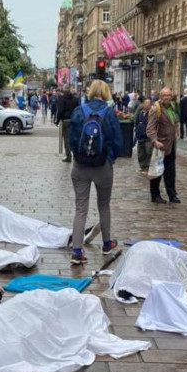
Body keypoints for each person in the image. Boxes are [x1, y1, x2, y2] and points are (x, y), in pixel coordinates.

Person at [68, 80, 121, 265]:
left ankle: (76, 251)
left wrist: (78, 156)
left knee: (80, 209)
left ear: (90, 92)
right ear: (106, 92)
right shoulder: (109, 113)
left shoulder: (79, 111)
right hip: (102, 168)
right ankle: (107, 244)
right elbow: (118, 141)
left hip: (80, 167)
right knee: (104, 205)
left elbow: (72, 139)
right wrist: (110, 159)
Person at [147, 87, 181, 204]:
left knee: (170, 172)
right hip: (160, 145)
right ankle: (155, 195)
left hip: (171, 145)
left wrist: (177, 131)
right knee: (157, 171)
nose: (167, 97)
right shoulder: (156, 108)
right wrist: (155, 141)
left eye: (169, 95)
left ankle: (172, 195)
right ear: (160, 97)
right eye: (165, 95)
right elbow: (150, 128)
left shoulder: (172, 107)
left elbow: (174, 122)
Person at [55, 88, 79, 163]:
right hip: (74, 120)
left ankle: (68, 156)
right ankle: (76, 155)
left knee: (66, 139)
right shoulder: (75, 99)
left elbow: (60, 110)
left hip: (65, 120)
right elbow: (78, 109)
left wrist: (57, 120)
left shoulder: (62, 99)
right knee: (74, 138)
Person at [134, 98, 153, 174]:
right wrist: (137, 129)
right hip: (140, 136)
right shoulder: (141, 112)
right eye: (145, 103)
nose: (146, 104)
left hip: (148, 136)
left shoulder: (152, 113)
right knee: (141, 153)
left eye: (148, 103)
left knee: (148, 152)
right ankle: (142, 167)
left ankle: (147, 167)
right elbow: (137, 121)